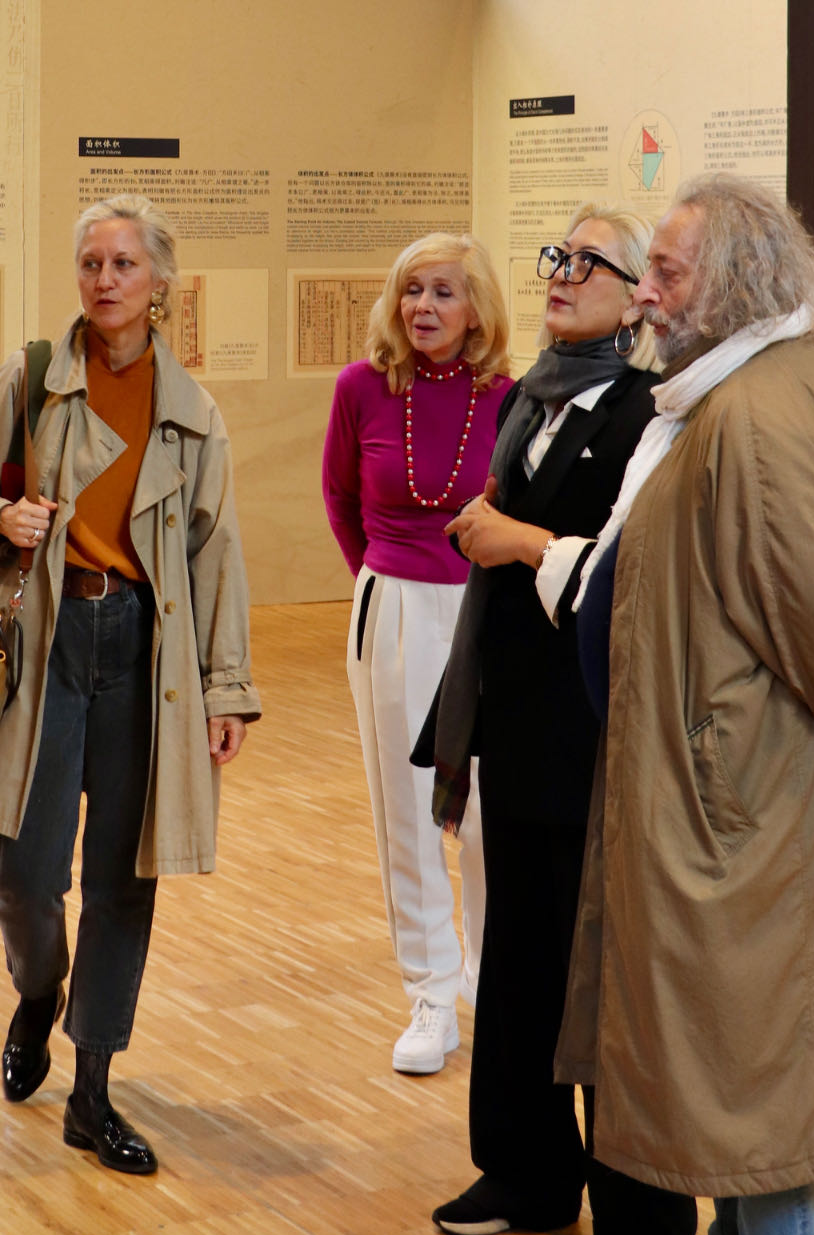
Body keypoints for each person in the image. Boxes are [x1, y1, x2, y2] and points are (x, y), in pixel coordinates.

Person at [552, 173, 814, 1235]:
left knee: (757, 1105)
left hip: (750, 816)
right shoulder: (739, 390)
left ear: (738, 282)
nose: (646, 296)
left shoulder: (750, 416)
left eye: (667, 272)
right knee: (741, 1101)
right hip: (729, 802)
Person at [0, 193, 260, 1175]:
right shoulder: (32, 378)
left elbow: (215, 558)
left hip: (145, 657)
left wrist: (225, 687)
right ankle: (39, 989)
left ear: (159, 282)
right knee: (24, 868)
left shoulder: (193, 414)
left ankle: (92, 1088)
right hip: (45, 640)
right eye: (90, 263)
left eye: (123, 264)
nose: (104, 279)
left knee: (124, 880)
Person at [418, 204, 697, 1235]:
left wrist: (512, 536)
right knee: (524, 957)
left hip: (601, 728)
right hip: (522, 729)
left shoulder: (644, 414)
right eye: (556, 255)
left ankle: (646, 1214)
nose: (562, 273)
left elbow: (639, 565)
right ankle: (527, 1170)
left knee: (607, 979)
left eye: (591, 261)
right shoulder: (531, 395)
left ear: (638, 296)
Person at [322, 233, 510, 1074]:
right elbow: (339, 496)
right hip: (392, 604)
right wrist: (383, 578)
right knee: (406, 806)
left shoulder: (509, 395)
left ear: (477, 311)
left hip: (485, 612)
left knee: (484, 812)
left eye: (443, 293)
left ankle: (485, 974)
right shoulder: (360, 388)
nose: (424, 308)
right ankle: (431, 993)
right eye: (412, 292)